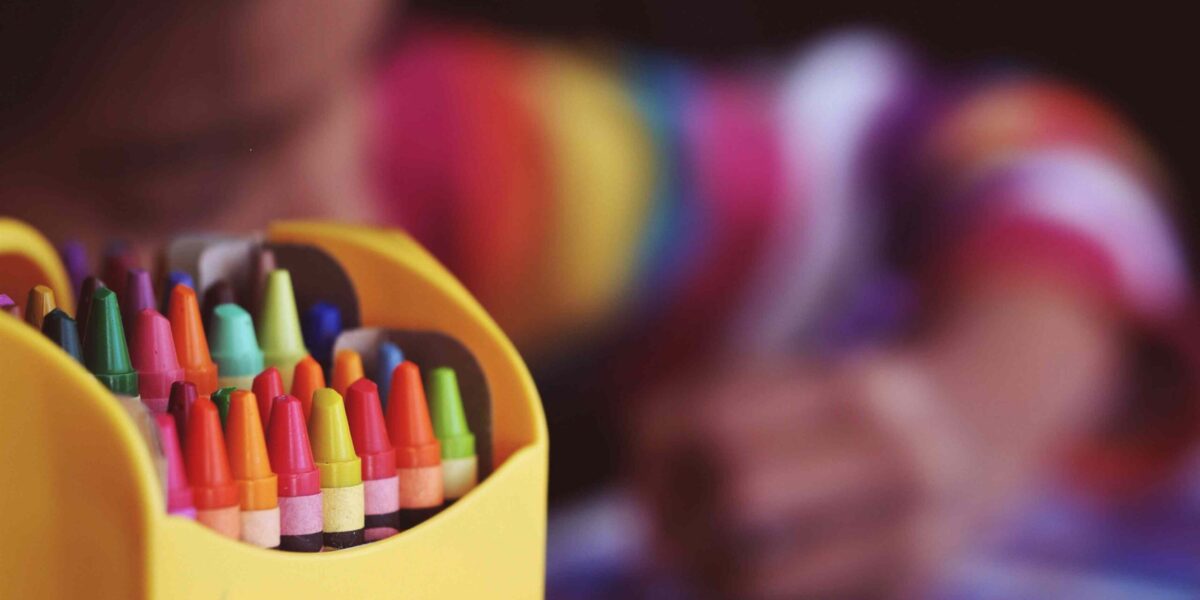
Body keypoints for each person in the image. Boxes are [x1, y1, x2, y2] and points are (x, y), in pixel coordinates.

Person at [1, 4, 1194, 598]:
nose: (344, 202)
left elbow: (992, 147)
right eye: (182, 169)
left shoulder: (440, 162)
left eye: (370, 59)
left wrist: (967, 415)